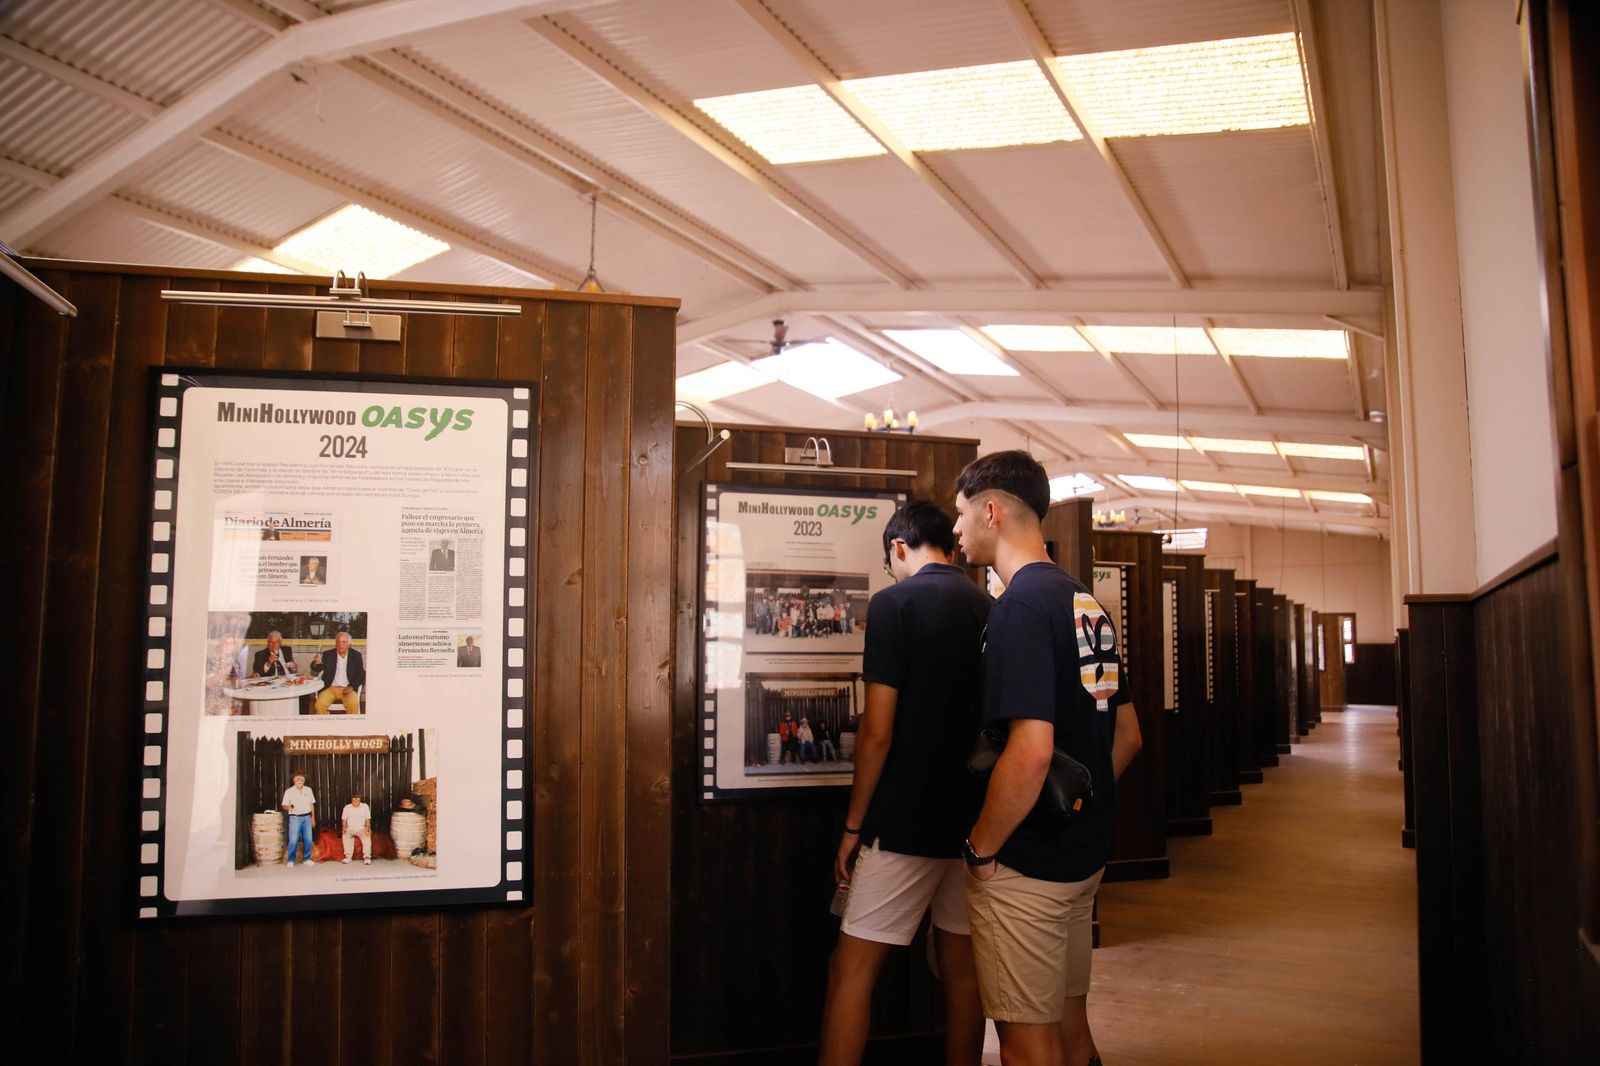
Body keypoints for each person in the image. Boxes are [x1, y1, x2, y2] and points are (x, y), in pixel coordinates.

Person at [951, 451, 1143, 1066]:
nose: (956, 530)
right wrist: (1077, 809)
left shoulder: (1021, 608)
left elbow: (1029, 753)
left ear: (991, 510)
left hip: (1027, 868)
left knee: (1025, 1041)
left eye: (961, 515)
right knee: (1069, 1027)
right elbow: (1129, 735)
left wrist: (982, 847)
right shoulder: (1085, 602)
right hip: (1083, 857)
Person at [819, 500, 992, 1066]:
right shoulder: (989, 606)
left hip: (903, 822)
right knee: (962, 974)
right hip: (974, 821)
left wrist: (852, 826)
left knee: (852, 969)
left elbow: (876, 732)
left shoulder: (893, 604)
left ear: (899, 547)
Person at [312, 629, 364, 714]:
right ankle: (323, 726)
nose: (340, 644)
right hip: (330, 688)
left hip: (347, 689)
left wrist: (352, 686)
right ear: (336, 643)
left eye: (344, 642)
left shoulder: (356, 655)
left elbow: (361, 674)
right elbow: (316, 669)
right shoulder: (328, 654)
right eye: (339, 642)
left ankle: (352, 726)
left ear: (349, 644)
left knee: (353, 704)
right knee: (319, 704)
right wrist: (316, 662)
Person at [281, 771, 317, 867]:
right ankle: (291, 860)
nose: (299, 781)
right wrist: (288, 807)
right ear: (294, 780)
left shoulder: (308, 790)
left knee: (308, 839)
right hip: (295, 818)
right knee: (293, 839)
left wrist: (313, 818)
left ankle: (306, 859)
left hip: (307, 817)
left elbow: (311, 804)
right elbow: (284, 805)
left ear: (304, 781)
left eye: (301, 779)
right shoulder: (289, 791)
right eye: (297, 779)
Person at [340, 790, 373, 865]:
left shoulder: (365, 806)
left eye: (358, 799)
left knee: (367, 837)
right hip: (350, 829)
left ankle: (367, 857)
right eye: (354, 798)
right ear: (351, 799)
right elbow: (344, 820)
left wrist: (368, 829)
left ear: (360, 799)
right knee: (345, 835)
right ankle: (348, 857)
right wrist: (344, 829)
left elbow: (367, 819)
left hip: (361, 828)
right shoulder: (347, 807)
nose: (356, 800)